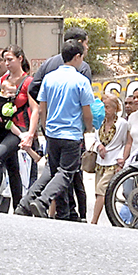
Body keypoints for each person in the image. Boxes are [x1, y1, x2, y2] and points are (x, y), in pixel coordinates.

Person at [15, 39, 99, 218]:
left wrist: (45, 128)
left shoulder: (49, 78)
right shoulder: (81, 81)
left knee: (52, 172)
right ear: (77, 57)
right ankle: (42, 201)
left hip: (52, 133)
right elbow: (87, 112)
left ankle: (25, 204)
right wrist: (89, 129)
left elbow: (42, 108)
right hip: (71, 133)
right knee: (66, 172)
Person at [0, 46, 33, 212]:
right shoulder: (3, 78)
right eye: (5, 60)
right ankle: (19, 207)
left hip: (18, 129)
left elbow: (35, 110)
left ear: (20, 59)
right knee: (13, 169)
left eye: (9, 59)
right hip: (2, 128)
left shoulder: (28, 82)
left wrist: (31, 134)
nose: (6, 63)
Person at [90, 93, 127, 224]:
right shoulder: (100, 121)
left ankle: (94, 221)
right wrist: (99, 146)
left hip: (112, 161)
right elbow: (96, 136)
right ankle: (110, 216)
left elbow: (124, 142)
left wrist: (121, 159)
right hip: (100, 161)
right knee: (99, 192)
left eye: (108, 107)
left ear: (115, 108)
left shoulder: (122, 124)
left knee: (101, 189)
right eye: (103, 107)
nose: (105, 111)